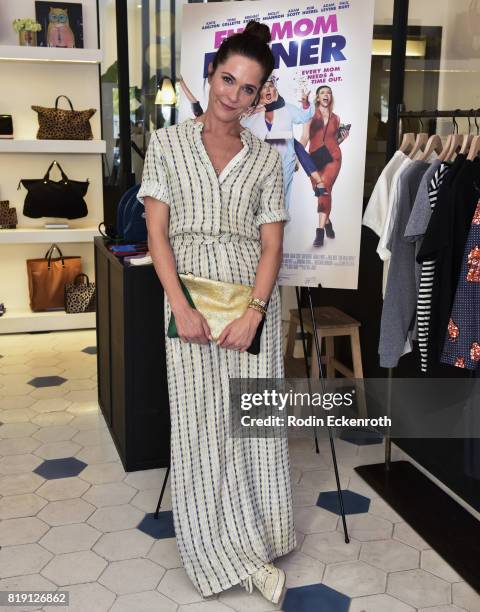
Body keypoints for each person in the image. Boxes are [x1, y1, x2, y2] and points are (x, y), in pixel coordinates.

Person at [137, 21, 296, 605]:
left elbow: (273, 245)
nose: (234, 95)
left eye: (249, 88)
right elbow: (158, 235)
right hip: (190, 304)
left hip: (250, 306)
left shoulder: (263, 158)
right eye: (228, 79)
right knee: (202, 423)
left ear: (261, 97)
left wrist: (255, 313)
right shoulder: (168, 143)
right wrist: (178, 305)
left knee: (250, 422)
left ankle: (263, 534)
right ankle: (218, 547)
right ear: (210, 76)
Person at [240, 73, 313, 211]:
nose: (267, 89)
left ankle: (277, 231)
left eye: (270, 86)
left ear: (275, 90)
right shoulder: (249, 115)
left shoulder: (287, 108)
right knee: (258, 206)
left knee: (279, 206)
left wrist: (305, 104)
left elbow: (304, 117)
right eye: (264, 87)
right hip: (259, 167)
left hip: (284, 165)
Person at [297, 85, 349, 247]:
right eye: (323, 92)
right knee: (319, 192)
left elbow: (333, 139)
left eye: (329, 92)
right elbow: (305, 137)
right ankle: (327, 222)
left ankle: (319, 232)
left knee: (324, 187)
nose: (326, 95)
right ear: (318, 98)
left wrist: (342, 138)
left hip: (333, 157)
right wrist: (297, 159)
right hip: (314, 158)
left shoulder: (336, 118)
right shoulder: (310, 115)